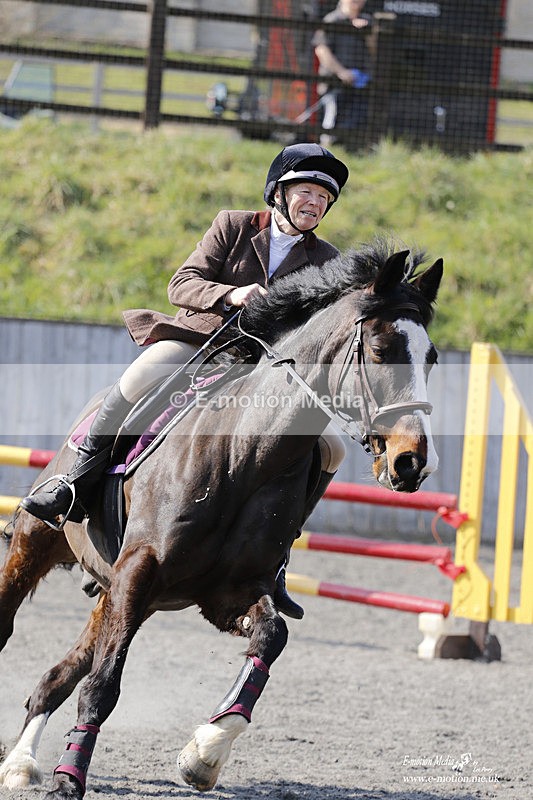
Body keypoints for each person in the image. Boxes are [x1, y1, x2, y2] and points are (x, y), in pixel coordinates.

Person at [20, 142, 350, 617]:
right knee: (136, 383)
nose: (314, 204)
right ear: (278, 193)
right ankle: (74, 482)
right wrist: (232, 295)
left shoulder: (327, 258)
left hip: (262, 372)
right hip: (200, 343)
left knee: (331, 449)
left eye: (323, 198)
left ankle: (274, 557)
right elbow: (183, 282)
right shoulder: (233, 225)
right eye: (306, 192)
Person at [313, 0, 373, 142]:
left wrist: (367, 33)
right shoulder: (331, 20)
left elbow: (376, 52)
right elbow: (322, 50)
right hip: (334, 85)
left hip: (360, 86)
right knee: (331, 127)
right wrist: (341, 72)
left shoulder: (367, 22)